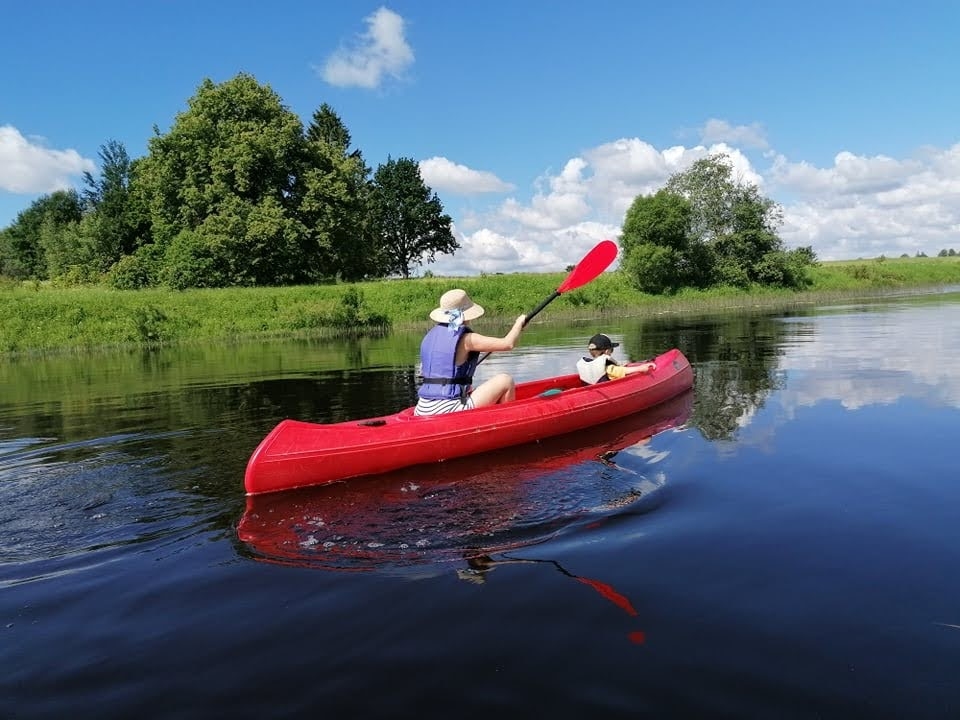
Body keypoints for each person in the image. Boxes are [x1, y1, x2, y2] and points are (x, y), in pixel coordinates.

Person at [414, 288, 526, 416]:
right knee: (505, 381)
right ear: (465, 315)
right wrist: (519, 324)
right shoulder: (467, 339)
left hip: (422, 407)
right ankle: (507, 421)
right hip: (448, 408)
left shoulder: (429, 336)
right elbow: (508, 344)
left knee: (471, 389)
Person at [576, 333, 656, 384]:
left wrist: (626, 363)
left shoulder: (590, 365)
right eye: (612, 350)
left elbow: (617, 365)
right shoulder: (609, 368)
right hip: (606, 391)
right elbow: (623, 371)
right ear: (607, 352)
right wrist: (641, 368)